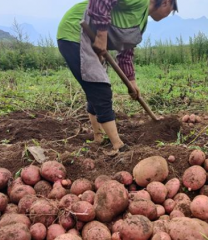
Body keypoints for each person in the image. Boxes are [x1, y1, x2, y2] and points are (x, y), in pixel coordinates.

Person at [57, 0, 178, 155]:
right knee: (99, 88)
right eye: (172, 11)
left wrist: (132, 81)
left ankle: (98, 137)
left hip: (89, 41)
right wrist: (101, 35)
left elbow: (126, 52)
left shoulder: (141, 23)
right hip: (75, 33)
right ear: (166, 3)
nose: (169, 15)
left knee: (94, 87)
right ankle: (118, 145)